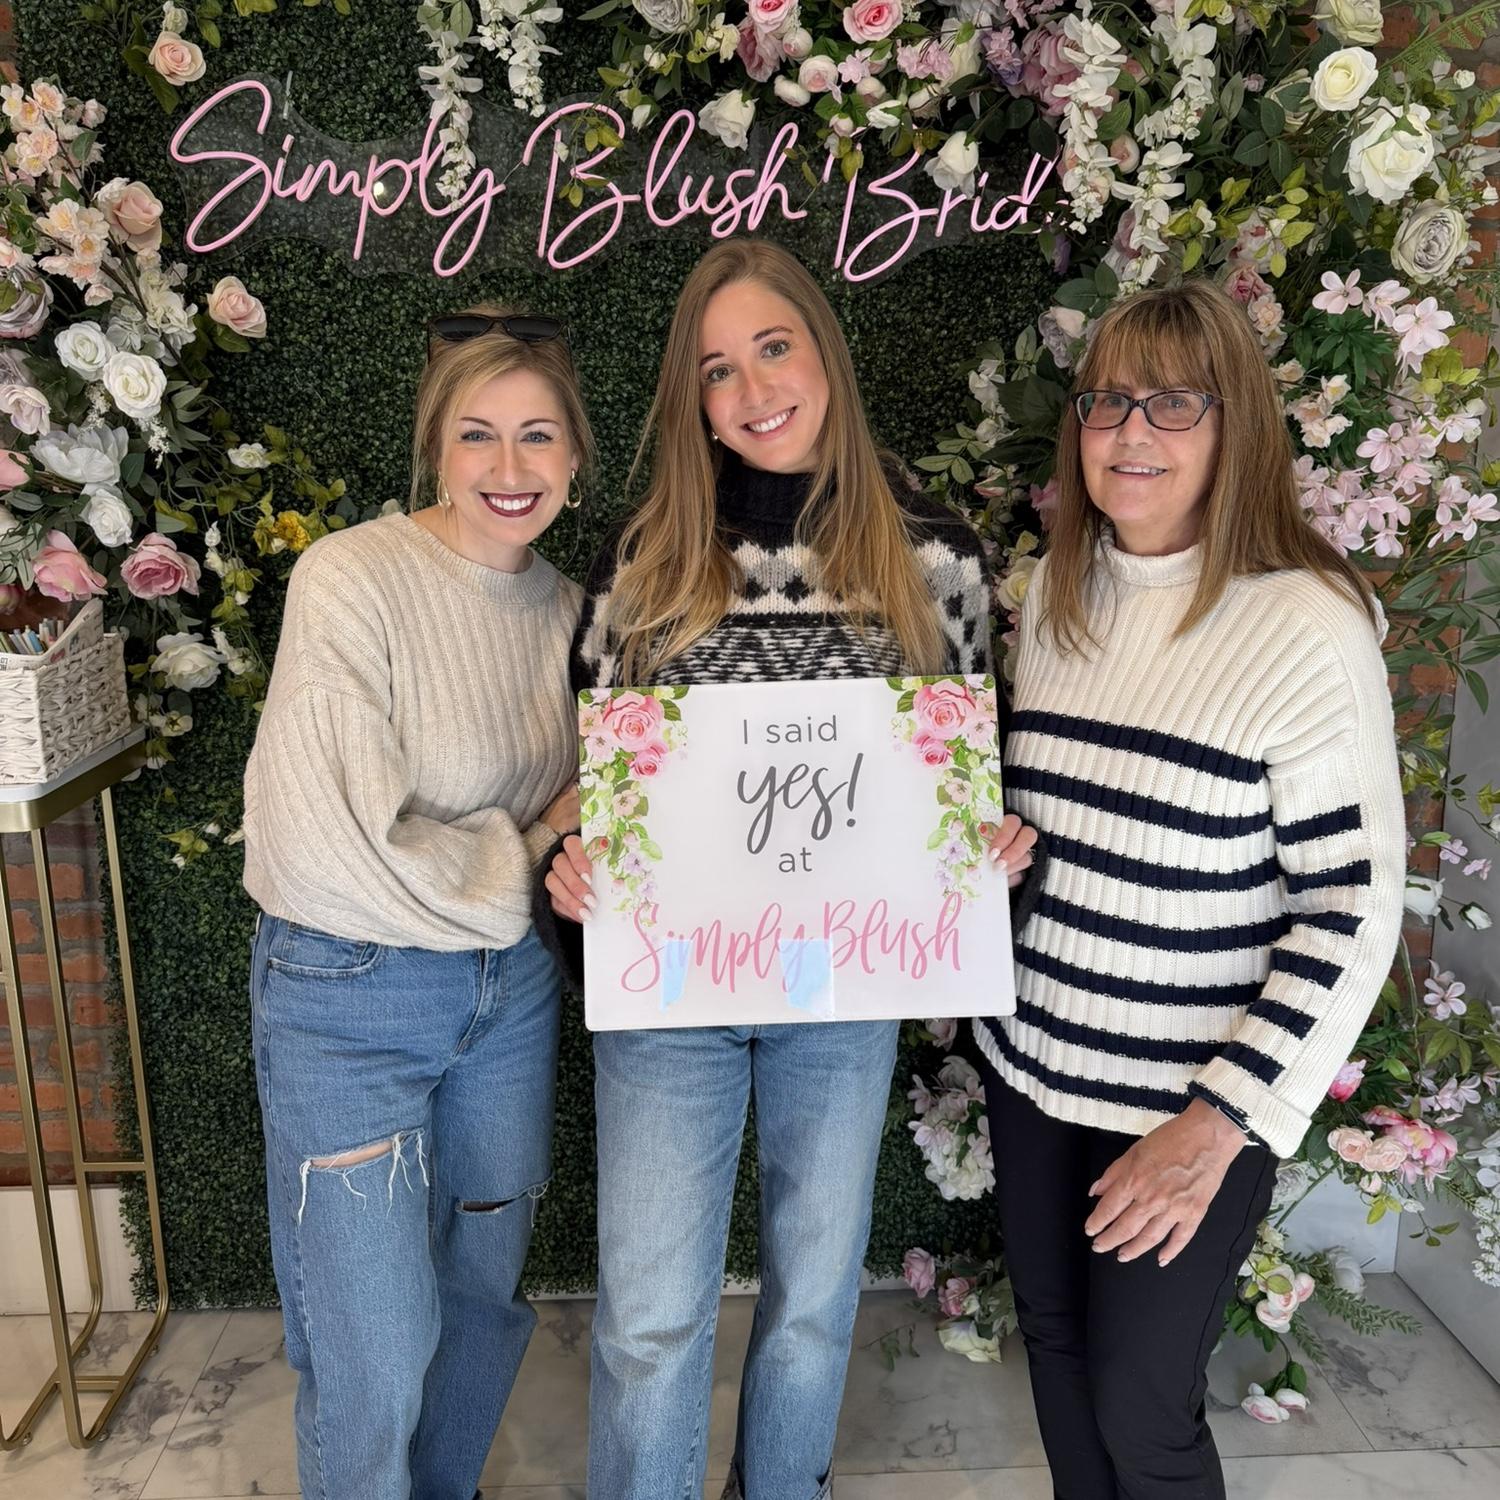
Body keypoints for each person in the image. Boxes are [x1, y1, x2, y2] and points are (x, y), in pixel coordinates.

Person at [541, 238, 1036, 1500]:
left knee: (815, 1303)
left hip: (844, 997)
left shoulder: (940, 563)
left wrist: (988, 855)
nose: (752, 388)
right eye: (717, 369)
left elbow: (965, 778)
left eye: (773, 347)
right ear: (691, 399)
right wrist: (575, 875)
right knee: (652, 1319)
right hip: (673, 1002)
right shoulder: (646, 567)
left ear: (825, 352)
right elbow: (591, 799)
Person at [974, 279, 1406, 1500]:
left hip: (1184, 1107)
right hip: (1035, 1073)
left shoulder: (1308, 627)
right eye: (1108, 401)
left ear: (1238, 428)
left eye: (1173, 403)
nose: (1131, 434)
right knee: (1058, 1364)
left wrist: (1218, 1126)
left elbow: (1352, 905)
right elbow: (1059, 829)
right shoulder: (1057, 598)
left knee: (1142, 1408)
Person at [242, 306, 590, 1500]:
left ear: (576, 459)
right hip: (349, 990)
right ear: (435, 447)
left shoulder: (575, 613)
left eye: (537, 437)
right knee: (375, 1351)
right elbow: (337, 846)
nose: (509, 469)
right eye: (478, 435)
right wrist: (536, 834)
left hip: (512, 996)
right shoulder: (351, 578)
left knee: (482, 1302)